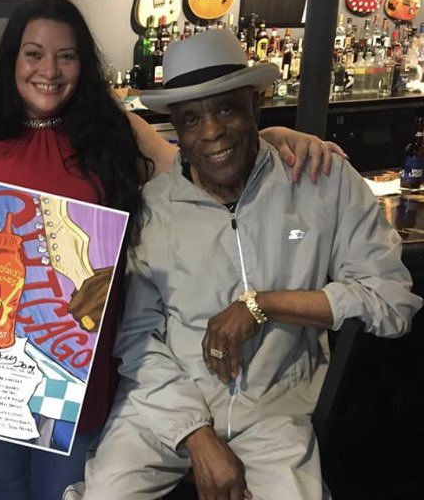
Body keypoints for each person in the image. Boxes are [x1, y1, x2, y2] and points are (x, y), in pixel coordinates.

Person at [0, 0, 343, 500]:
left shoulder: (115, 131)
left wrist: (269, 133)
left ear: (83, 64)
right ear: (12, 61)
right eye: (33, 54)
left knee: (62, 489)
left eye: (66, 55)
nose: (49, 70)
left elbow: (201, 158)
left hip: (77, 353)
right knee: (2, 482)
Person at [68, 29, 421, 500]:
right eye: (192, 119)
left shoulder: (321, 181)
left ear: (256, 105)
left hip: (275, 411)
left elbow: (393, 303)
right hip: (166, 405)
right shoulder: (152, 208)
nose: (211, 132)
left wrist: (265, 305)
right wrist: (196, 433)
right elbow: (137, 339)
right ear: (175, 124)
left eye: (227, 108)